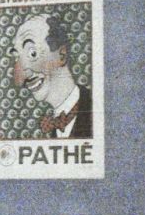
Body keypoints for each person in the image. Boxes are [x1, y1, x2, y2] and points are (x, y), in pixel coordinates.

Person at [14, 12, 93, 140]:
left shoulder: (94, 106)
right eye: (18, 57)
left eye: (32, 53)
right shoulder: (53, 124)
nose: (23, 72)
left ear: (61, 55)